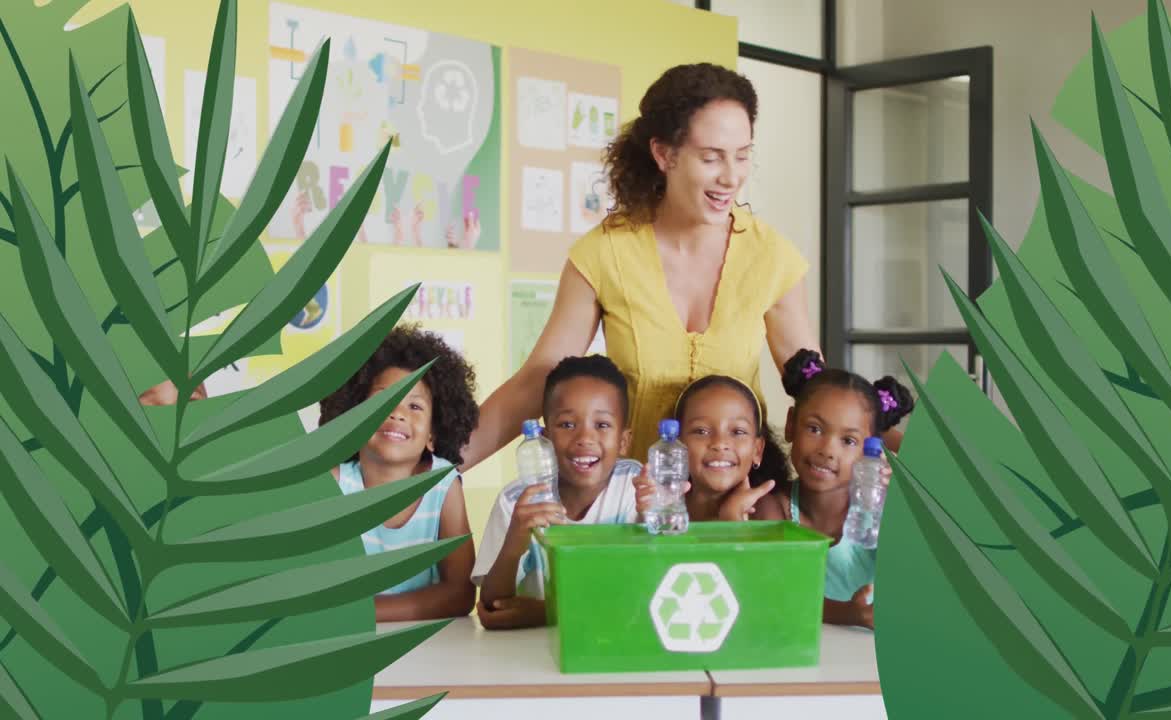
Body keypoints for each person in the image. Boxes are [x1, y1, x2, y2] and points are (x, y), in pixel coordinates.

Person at [462, 63, 820, 469]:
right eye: (711, 158)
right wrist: (434, 471)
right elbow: (537, 380)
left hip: (736, 507)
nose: (731, 177)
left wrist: (893, 435)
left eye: (742, 156)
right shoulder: (605, 252)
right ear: (664, 154)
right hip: (631, 507)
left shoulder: (773, 258)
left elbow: (818, 395)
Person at [318, 325, 478, 621]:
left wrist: (366, 611)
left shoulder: (443, 487)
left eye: (415, 405)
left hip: (430, 651)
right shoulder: (333, 484)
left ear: (433, 434)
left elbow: (461, 594)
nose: (397, 412)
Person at [473, 355, 642, 630]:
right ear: (545, 436)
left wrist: (547, 613)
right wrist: (516, 538)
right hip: (528, 657)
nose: (584, 438)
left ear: (623, 441)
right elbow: (493, 606)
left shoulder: (635, 488)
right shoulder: (516, 501)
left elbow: (640, 596)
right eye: (566, 425)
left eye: (602, 425)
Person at [755, 349, 913, 629]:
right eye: (814, 429)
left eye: (848, 441)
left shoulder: (882, 512)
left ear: (870, 451)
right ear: (791, 425)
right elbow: (778, 594)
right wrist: (848, 615)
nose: (828, 450)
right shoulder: (771, 509)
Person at [634, 374, 780, 523]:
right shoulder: (666, 505)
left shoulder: (766, 511)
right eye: (701, 431)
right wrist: (646, 515)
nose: (720, 443)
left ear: (757, 450)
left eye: (738, 432)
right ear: (677, 445)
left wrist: (731, 514)